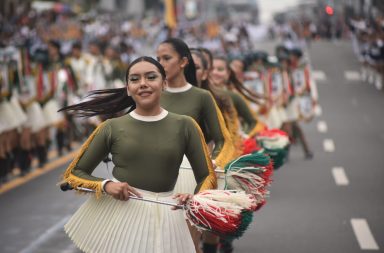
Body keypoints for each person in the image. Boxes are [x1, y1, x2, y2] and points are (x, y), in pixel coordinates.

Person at [60, 56, 216, 253]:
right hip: (121, 219)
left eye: (151, 77)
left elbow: (207, 175)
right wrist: (107, 185)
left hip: (171, 219)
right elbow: (73, 174)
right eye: (134, 79)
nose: (143, 84)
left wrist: (195, 198)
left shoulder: (186, 125)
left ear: (164, 84)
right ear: (128, 88)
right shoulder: (111, 127)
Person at [156, 38, 233, 253]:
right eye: (158, 58)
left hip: (191, 178)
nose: (160, 63)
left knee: (186, 244)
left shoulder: (202, 97)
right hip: (154, 178)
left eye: (166, 58)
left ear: (183, 62)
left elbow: (222, 139)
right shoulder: (152, 93)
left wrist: (214, 164)